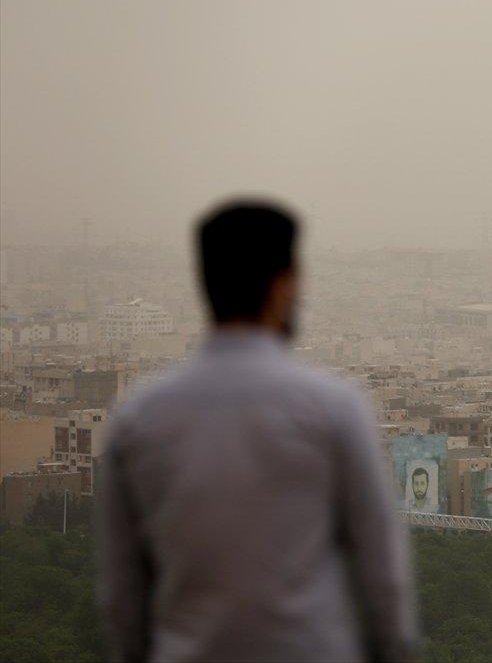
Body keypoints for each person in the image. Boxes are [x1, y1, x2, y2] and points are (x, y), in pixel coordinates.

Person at [99, 200, 420, 663]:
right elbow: (381, 572)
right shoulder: (333, 408)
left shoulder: (139, 417)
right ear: (284, 284)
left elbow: (123, 593)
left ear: (205, 282)